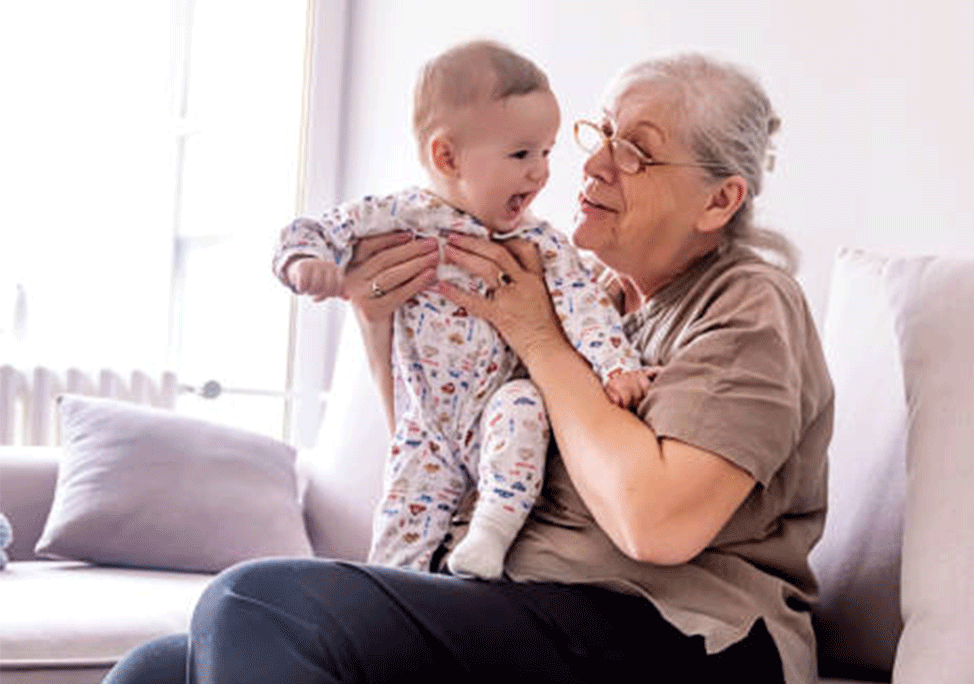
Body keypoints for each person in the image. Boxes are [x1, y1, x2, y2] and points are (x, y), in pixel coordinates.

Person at [103, 52, 833, 684]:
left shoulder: (748, 301)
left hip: (684, 636)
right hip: (530, 601)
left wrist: (539, 339)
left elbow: (657, 526)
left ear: (720, 200)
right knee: (158, 671)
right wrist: (376, 320)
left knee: (256, 602)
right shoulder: (586, 293)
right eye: (600, 133)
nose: (595, 162)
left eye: (635, 150)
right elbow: (458, 453)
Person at [272, 39, 651, 579]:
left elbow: (586, 306)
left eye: (546, 153)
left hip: (494, 407)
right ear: (446, 157)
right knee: (400, 531)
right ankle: (388, 600)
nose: (541, 173)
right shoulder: (401, 216)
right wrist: (304, 262)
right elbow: (315, 228)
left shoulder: (538, 242)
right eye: (522, 155)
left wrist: (616, 364)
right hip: (425, 423)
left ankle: (490, 534)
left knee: (524, 407)